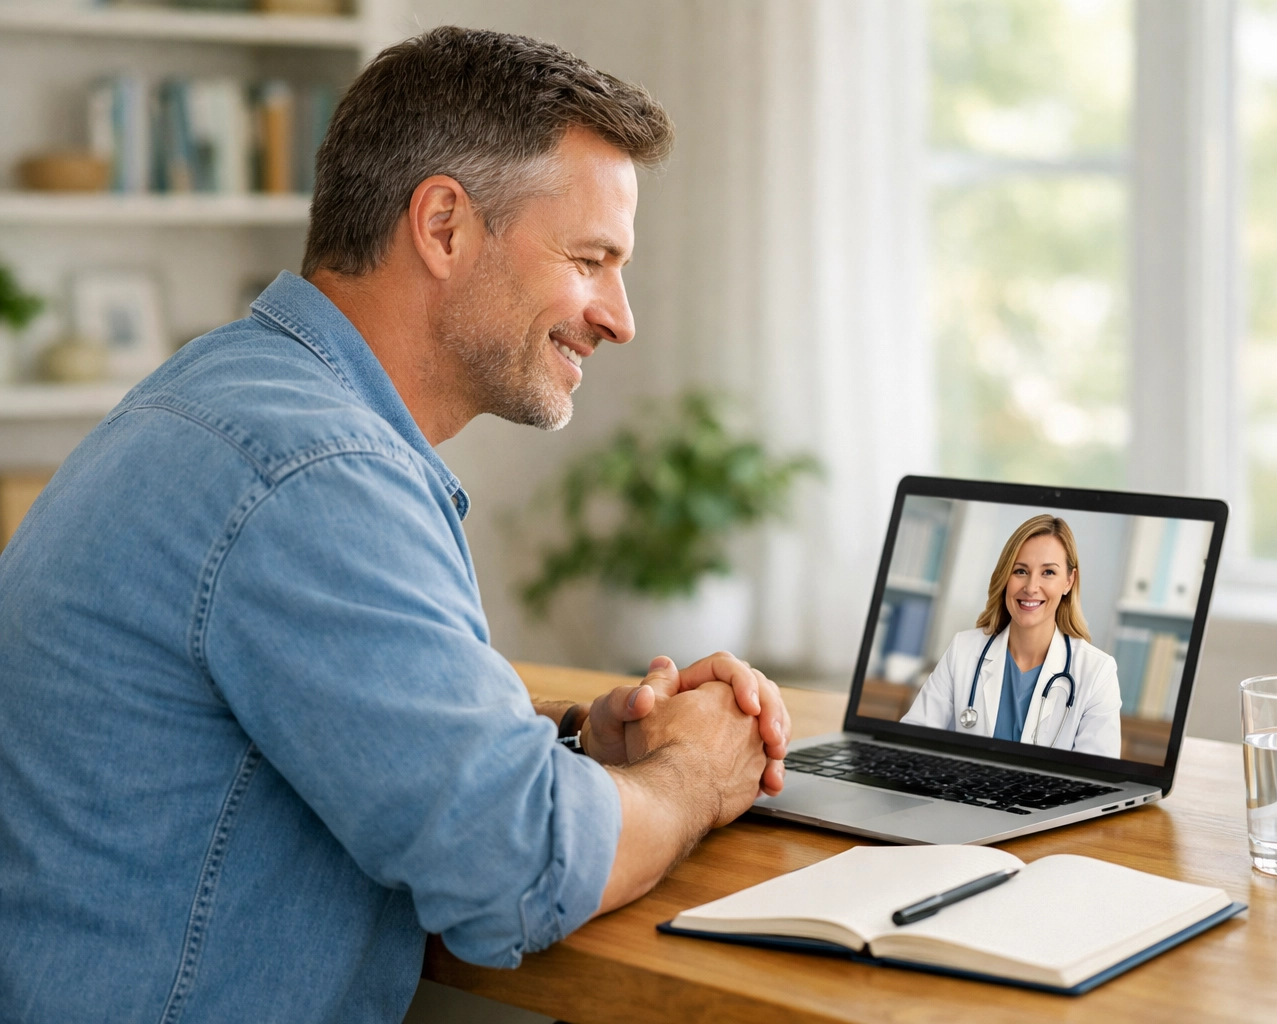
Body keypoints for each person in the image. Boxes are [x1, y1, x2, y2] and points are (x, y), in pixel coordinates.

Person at [0, 29, 791, 1024]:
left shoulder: (225, 396)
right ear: (445, 227)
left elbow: (360, 745)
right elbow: (513, 868)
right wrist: (696, 774)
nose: (621, 316)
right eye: (591, 259)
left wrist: (581, 757)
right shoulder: (314, 471)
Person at [901, 515, 1121, 757]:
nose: (1030, 587)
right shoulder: (963, 650)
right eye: (1020, 571)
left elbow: (1096, 782)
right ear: (1005, 576)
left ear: (1069, 581)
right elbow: (911, 743)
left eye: (1048, 572)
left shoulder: (1098, 673)